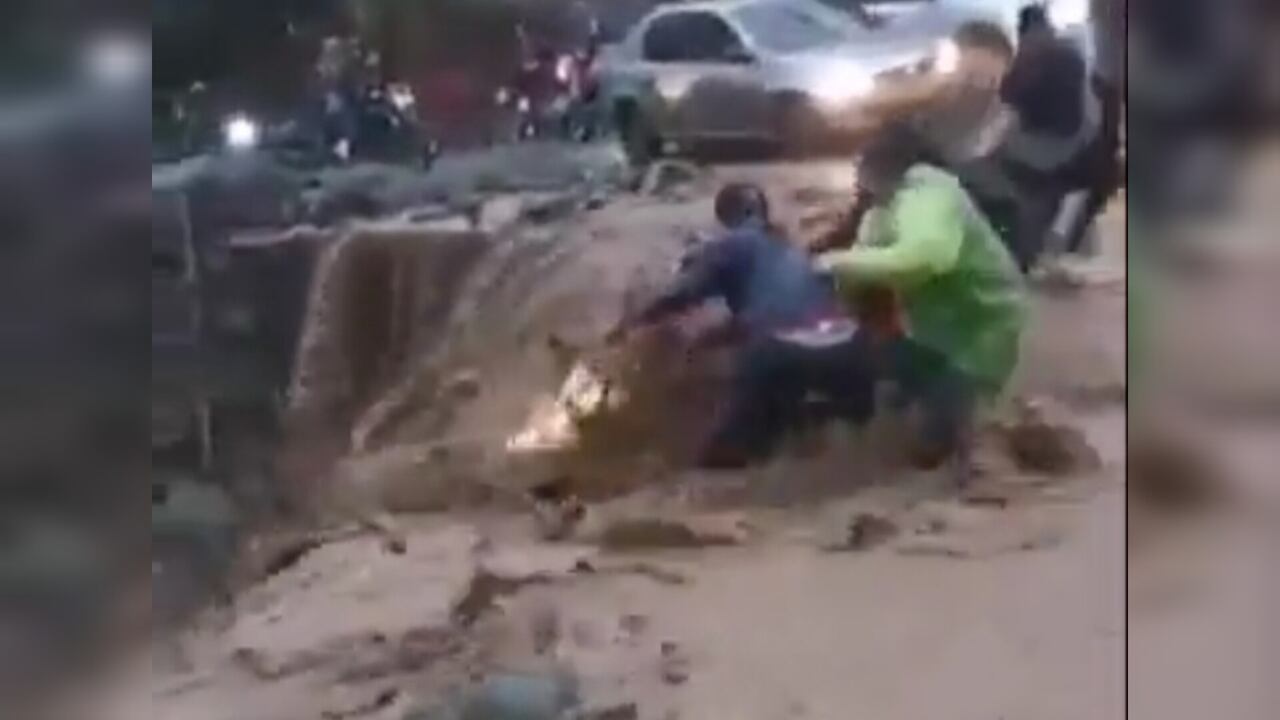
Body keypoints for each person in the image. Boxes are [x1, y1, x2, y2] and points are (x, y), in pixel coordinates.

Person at [814, 123, 1028, 485]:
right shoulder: (881, 211)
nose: (858, 182)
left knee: (937, 443)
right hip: (931, 332)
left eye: (862, 171)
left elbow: (928, 257)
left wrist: (833, 263)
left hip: (984, 328)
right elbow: (867, 268)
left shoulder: (932, 194)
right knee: (890, 392)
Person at [610, 183, 875, 469]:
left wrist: (631, 325)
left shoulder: (730, 244)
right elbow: (786, 309)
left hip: (780, 350)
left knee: (718, 461)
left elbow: (682, 295)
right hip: (848, 348)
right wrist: (715, 337)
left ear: (724, 218)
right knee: (806, 422)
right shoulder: (793, 249)